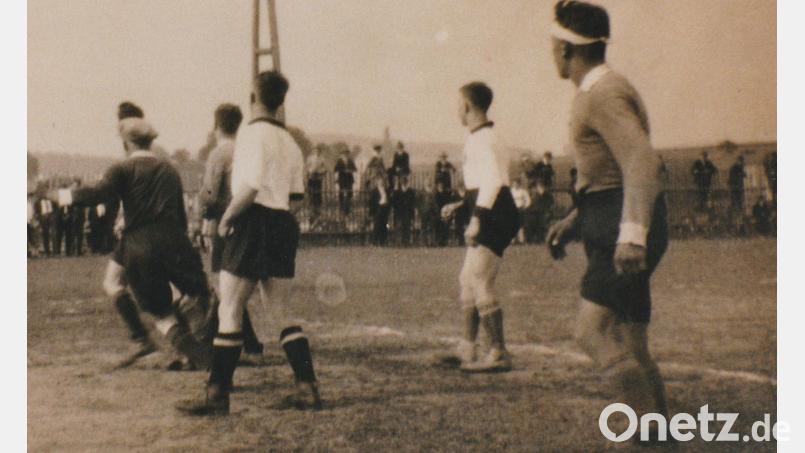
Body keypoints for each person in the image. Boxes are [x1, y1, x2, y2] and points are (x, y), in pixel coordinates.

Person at [545, 1, 670, 440]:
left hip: (622, 229)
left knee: (591, 332)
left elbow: (640, 160)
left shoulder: (603, 93)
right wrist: (574, 220)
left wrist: (633, 234)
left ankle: (650, 440)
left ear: (565, 48)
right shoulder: (602, 90)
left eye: (553, 43)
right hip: (610, 221)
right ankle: (659, 438)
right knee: (633, 342)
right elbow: (611, 172)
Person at [177, 71, 321, 416]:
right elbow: (297, 196)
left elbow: (251, 186)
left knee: (230, 307)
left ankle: (216, 395)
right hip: (282, 223)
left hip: (252, 220)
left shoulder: (251, 135)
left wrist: (227, 219)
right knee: (279, 311)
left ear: (253, 98)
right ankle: (308, 388)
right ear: (281, 101)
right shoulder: (291, 142)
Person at [59, 117, 213, 372]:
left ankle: (189, 352)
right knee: (116, 281)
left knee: (159, 311)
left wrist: (60, 195)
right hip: (172, 239)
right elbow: (180, 216)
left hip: (139, 242)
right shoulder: (169, 169)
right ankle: (173, 344)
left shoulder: (121, 169)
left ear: (126, 142)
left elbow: (98, 194)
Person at [440, 82, 520, 372]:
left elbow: (495, 182)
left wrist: (477, 218)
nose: (455, 109)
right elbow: (483, 182)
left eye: (457, 103)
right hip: (489, 207)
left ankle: (499, 352)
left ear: (466, 106)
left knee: (479, 280)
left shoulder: (485, 139)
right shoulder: (479, 138)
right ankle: (468, 348)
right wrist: (462, 205)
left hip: (495, 213)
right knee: (467, 279)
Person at [198, 103, 264, 361]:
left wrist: (204, 216)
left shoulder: (219, 153)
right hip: (250, 220)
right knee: (235, 288)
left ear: (216, 126)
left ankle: (239, 343)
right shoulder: (246, 149)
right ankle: (246, 343)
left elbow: (211, 193)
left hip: (226, 224)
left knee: (225, 287)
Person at [391, 175, 416, 246]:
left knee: (407, 227)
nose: (404, 184)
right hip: (399, 212)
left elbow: (413, 203)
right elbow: (394, 202)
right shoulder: (397, 192)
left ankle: (406, 242)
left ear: (407, 183)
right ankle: (398, 242)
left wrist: (412, 213)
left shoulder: (411, 192)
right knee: (399, 228)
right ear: (401, 183)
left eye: (405, 182)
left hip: (407, 212)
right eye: (403, 182)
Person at [306, 145, 327, 222]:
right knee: (311, 194)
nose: (317, 152)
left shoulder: (322, 159)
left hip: (318, 178)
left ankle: (318, 212)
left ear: (320, 152)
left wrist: (321, 172)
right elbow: (307, 167)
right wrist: (309, 172)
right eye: (315, 151)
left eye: (318, 151)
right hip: (311, 178)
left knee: (318, 194)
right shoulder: (310, 158)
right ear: (314, 151)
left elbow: (325, 169)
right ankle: (311, 212)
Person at [368, 176, 391, 246]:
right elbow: (371, 202)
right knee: (377, 226)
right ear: (377, 182)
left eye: (382, 181)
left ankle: (383, 241)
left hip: (385, 209)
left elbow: (389, 199)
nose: (381, 182)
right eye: (379, 181)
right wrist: (371, 212)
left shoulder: (386, 190)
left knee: (385, 225)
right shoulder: (374, 191)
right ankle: (375, 241)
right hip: (378, 209)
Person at [335, 150, 357, 216]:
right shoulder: (339, 161)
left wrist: (350, 170)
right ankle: (341, 209)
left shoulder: (351, 161)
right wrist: (344, 170)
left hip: (349, 180)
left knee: (349, 194)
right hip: (342, 179)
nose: (345, 156)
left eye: (347, 154)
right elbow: (336, 169)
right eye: (344, 154)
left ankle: (348, 209)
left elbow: (355, 169)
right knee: (341, 194)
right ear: (342, 155)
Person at [510, 179, 531, 244]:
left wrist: (525, 206)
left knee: (520, 225)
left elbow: (528, 200)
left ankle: (521, 240)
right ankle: (512, 240)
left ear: (519, 184)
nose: (515, 185)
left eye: (517, 184)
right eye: (514, 184)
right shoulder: (510, 191)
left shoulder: (523, 191)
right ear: (513, 184)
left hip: (520, 209)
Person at [433, 181, 453, 247]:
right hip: (438, 214)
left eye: (441, 185)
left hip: (445, 213)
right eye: (439, 185)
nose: (440, 186)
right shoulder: (435, 194)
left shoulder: (446, 194)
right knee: (437, 224)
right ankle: (438, 241)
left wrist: (446, 213)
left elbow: (448, 204)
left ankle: (445, 241)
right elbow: (435, 206)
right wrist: (439, 214)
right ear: (437, 186)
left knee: (446, 224)